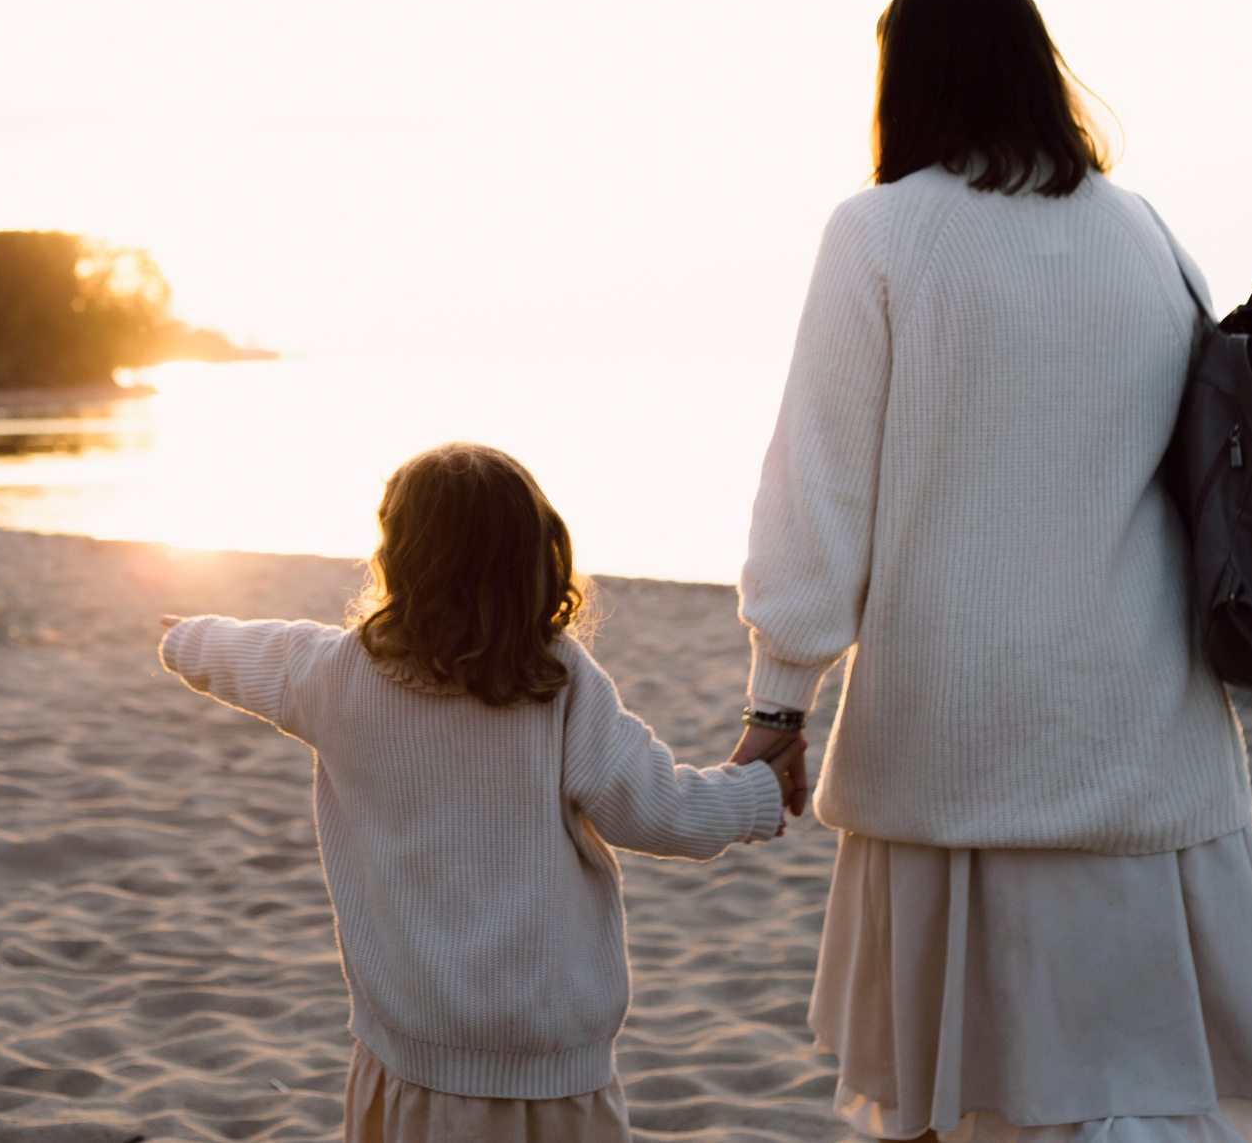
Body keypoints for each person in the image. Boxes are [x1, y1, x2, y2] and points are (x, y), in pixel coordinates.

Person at [727, 0, 1252, 1143]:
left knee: (962, 1098)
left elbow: (818, 486)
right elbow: (1210, 459)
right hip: (1140, 729)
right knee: (1139, 1093)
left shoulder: (878, 232)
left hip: (951, 734)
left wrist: (780, 703)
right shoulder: (1141, 230)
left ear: (904, 80)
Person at [160, 443, 806, 1143]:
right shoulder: (556, 676)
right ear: (536, 557)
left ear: (398, 554)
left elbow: (227, 652)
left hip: (412, 1051)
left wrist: (181, 637)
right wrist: (756, 792)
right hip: (551, 1062)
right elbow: (663, 811)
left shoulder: (330, 671)